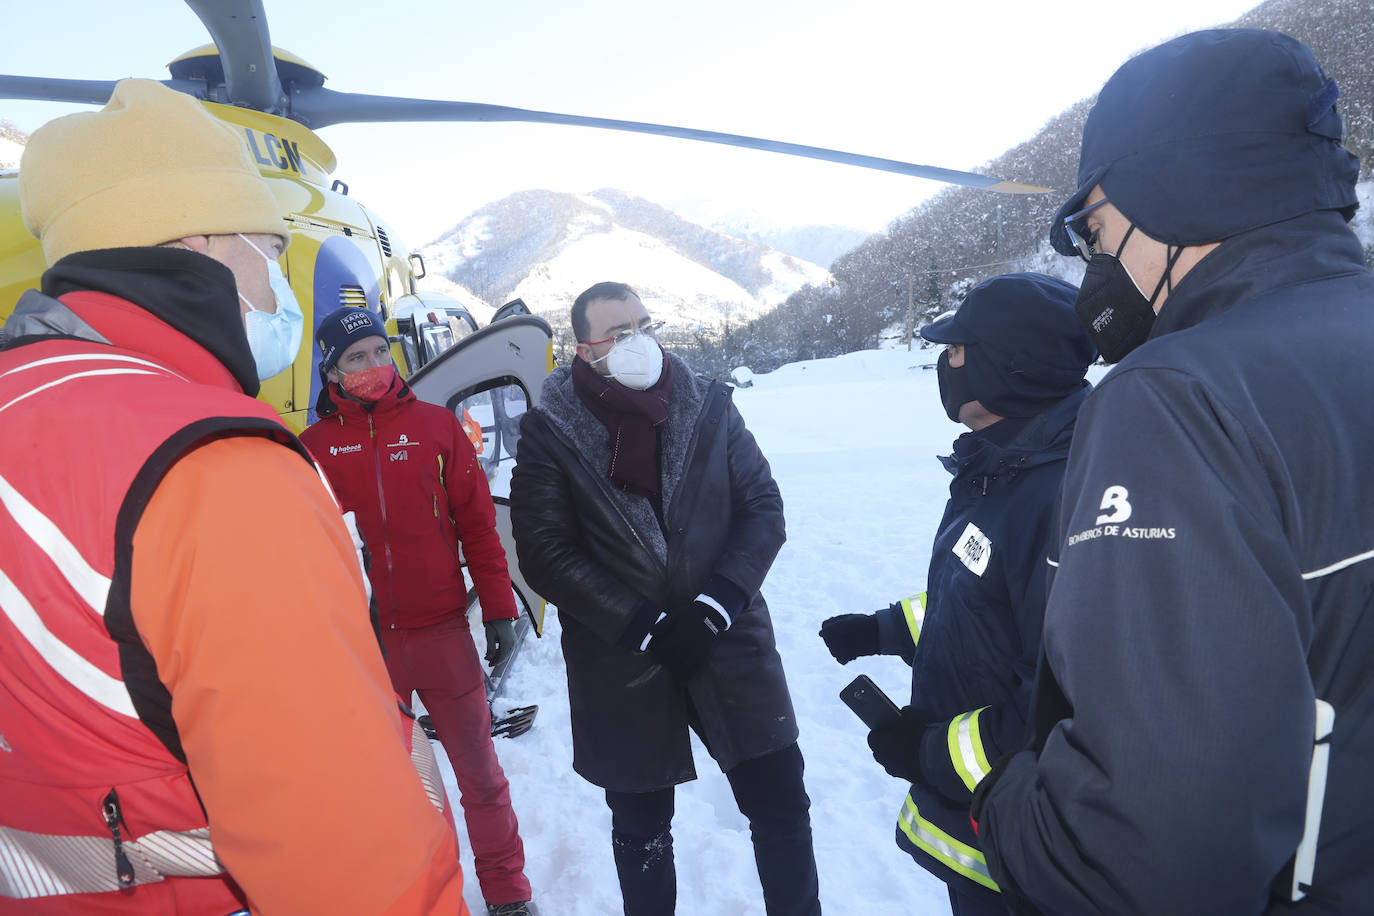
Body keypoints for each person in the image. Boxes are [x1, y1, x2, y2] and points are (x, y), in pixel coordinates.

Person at [0, 80, 466, 914]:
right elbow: (348, 858)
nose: (280, 280)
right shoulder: (215, 467)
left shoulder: (20, 403)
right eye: (270, 247)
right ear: (204, 239)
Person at [969, 29, 1374, 914]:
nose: (1094, 267)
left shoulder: (1177, 396)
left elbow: (1140, 852)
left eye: (1100, 230)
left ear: (1179, 193)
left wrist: (995, 804)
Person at [509, 281, 821, 915]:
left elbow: (762, 508)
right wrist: (642, 625)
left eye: (644, 324)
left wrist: (715, 606)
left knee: (781, 802)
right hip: (621, 658)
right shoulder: (550, 432)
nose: (638, 342)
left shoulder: (708, 406)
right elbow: (543, 550)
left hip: (728, 640)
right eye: (619, 334)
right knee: (642, 829)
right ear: (585, 349)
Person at [819, 273, 1094, 916]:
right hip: (983, 824)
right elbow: (978, 604)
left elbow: (1059, 705)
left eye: (958, 350)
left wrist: (929, 752)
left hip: (1025, 840)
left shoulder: (1060, 496)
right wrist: (883, 630)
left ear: (1009, 366)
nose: (945, 365)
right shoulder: (1002, 468)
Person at [300, 307, 535, 916]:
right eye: (357, 358)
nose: (375, 365)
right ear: (332, 370)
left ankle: (508, 894)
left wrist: (501, 613)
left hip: (443, 634)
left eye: (381, 351)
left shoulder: (437, 428)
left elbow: (480, 528)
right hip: (366, 649)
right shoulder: (312, 449)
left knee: (480, 776)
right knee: (386, 791)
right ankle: (414, 898)